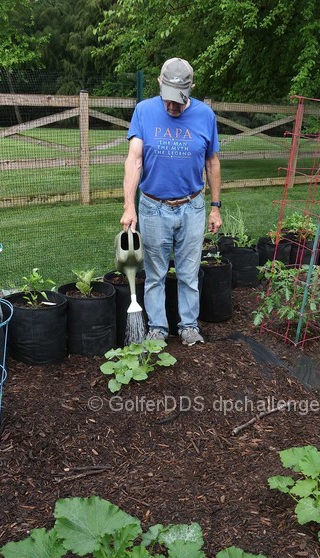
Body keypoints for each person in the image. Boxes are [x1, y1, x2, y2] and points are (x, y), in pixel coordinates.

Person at [120, 57, 222, 345]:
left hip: (192, 207)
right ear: (159, 85)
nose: (172, 107)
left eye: (179, 101)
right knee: (155, 275)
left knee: (189, 273)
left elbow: (212, 162)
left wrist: (215, 207)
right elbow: (134, 159)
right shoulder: (144, 111)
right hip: (153, 207)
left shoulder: (205, 116)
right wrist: (129, 204)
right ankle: (157, 329)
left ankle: (189, 326)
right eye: (167, 99)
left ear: (191, 89)